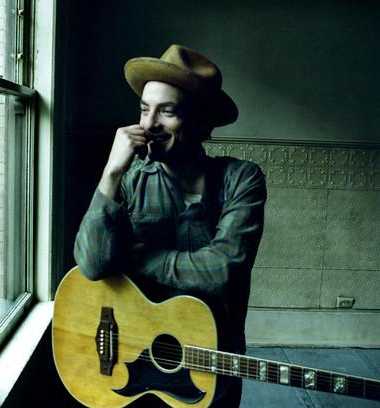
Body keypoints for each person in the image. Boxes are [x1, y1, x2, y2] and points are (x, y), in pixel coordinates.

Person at [73, 44, 267, 407]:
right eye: (144, 110)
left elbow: (224, 271)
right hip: (137, 356)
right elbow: (93, 265)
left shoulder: (241, 179)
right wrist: (111, 173)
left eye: (168, 111)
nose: (149, 125)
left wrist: (141, 258)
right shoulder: (130, 179)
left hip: (212, 357)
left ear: (202, 123)